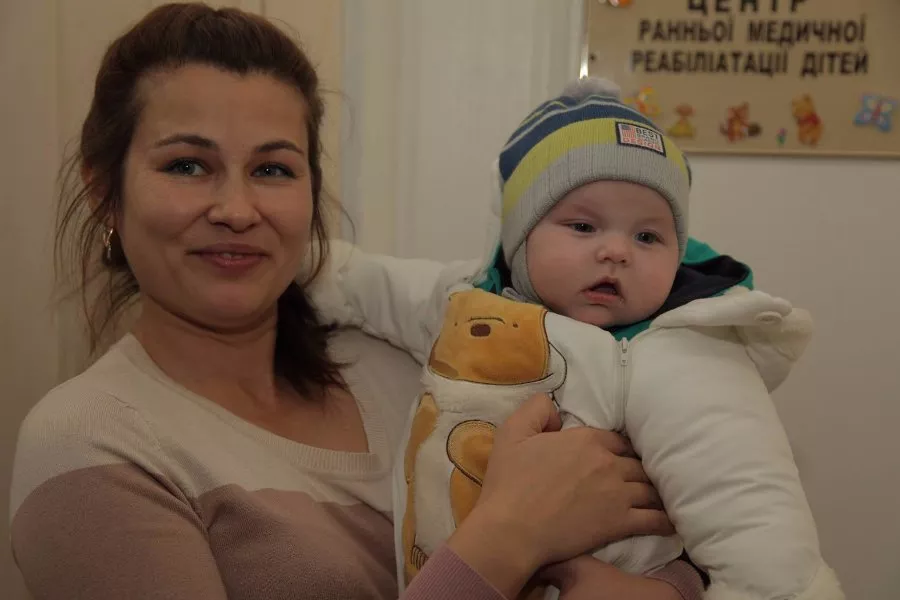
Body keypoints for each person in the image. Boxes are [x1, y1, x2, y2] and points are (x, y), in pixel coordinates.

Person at [8, 5, 706, 600]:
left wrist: (670, 588)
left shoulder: (411, 363)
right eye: (187, 165)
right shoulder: (91, 441)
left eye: (273, 169)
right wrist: (510, 536)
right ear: (105, 192)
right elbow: (532, 520)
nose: (237, 209)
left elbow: (659, 506)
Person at [315, 79, 844, 599]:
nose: (617, 251)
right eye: (584, 227)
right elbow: (373, 286)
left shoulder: (676, 350)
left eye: (648, 236)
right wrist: (312, 269)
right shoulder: (461, 298)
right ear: (520, 236)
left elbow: (747, 505)